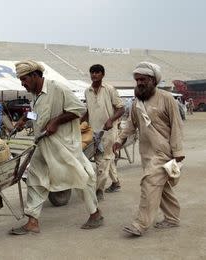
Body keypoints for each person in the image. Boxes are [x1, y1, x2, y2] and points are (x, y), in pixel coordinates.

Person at [10, 60, 103, 235]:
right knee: (34, 178)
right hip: (43, 144)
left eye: (24, 79)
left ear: (35, 75)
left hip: (62, 145)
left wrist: (56, 121)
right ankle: (32, 221)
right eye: (21, 80)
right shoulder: (35, 95)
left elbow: (78, 109)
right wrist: (24, 119)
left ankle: (95, 214)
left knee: (78, 178)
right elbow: (37, 113)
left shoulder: (57, 88)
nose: (22, 84)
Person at [113, 62, 185, 237]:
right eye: (137, 80)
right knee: (162, 186)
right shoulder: (138, 100)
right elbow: (131, 124)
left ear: (153, 80)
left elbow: (177, 125)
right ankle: (172, 218)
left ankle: (140, 224)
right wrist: (120, 139)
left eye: (143, 79)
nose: (139, 83)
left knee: (149, 184)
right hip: (146, 153)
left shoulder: (167, 98)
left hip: (163, 152)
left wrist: (178, 152)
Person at [82, 64, 124, 200]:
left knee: (103, 161)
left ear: (102, 74)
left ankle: (99, 190)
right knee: (108, 159)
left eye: (97, 72)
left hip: (108, 132)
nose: (94, 75)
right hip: (94, 132)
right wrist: (79, 123)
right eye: (92, 72)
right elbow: (88, 111)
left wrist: (111, 120)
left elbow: (121, 109)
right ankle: (116, 183)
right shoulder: (87, 91)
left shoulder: (110, 89)